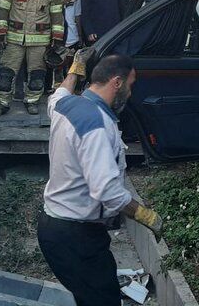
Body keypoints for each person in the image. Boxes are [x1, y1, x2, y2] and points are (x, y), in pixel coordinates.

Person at [37, 51, 162, 306]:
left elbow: (57, 95)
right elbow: (107, 192)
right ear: (117, 82)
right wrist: (147, 216)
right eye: (130, 84)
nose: (131, 91)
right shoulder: (97, 125)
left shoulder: (67, 105)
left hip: (56, 227)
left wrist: (75, 70)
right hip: (76, 236)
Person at [0, 0, 65, 116]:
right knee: (6, 73)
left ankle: (32, 101)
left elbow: (57, 17)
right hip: (14, 38)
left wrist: (57, 40)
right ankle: (1, 103)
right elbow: (2, 11)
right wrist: (0, 34)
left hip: (40, 40)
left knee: (37, 75)